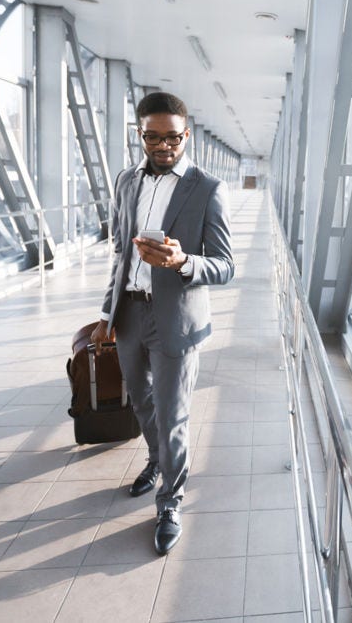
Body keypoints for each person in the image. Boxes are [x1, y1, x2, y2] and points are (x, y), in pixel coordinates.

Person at [90, 91, 234, 555]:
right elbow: (119, 252)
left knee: (173, 414)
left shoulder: (207, 188)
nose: (163, 146)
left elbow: (225, 266)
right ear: (140, 135)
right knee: (141, 401)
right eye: (153, 137)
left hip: (176, 318)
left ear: (186, 136)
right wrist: (106, 313)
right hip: (129, 312)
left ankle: (170, 500)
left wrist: (182, 260)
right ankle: (157, 460)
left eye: (172, 137)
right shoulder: (126, 181)